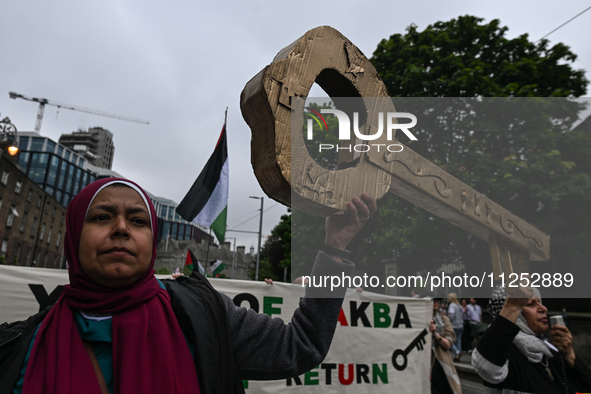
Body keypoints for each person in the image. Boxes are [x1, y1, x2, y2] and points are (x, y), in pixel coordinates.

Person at [0, 178, 377, 394]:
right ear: (73, 236)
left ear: (154, 240)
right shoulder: (16, 348)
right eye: (101, 217)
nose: (120, 229)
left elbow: (300, 347)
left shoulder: (201, 316)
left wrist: (335, 248)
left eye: (138, 220)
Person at [471, 284, 591, 393]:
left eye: (540, 302)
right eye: (530, 304)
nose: (543, 308)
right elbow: (486, 367)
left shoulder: (549, 351)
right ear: (515, 313)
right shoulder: (504, 354)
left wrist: (570, 356)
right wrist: (512, 306)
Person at [429, 298, 462, 394]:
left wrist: (435, 334)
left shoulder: (444, 319)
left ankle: (458, 352)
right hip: (425, 363)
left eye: (436, 301)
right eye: (432, 301)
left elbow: (448, 344)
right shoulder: (418, 320)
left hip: (441, 363)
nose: (435, 303)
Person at [447, 293, 463, 361]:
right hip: (461, 325)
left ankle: (457, 352)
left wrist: (448, 321)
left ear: (452, 298)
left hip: (454, 326)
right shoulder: (459, 306)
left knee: (450, 340)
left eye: (449, 297)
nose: (448, 298)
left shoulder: (452, 305)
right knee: (458, 340)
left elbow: (451, 316)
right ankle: (458, 354)